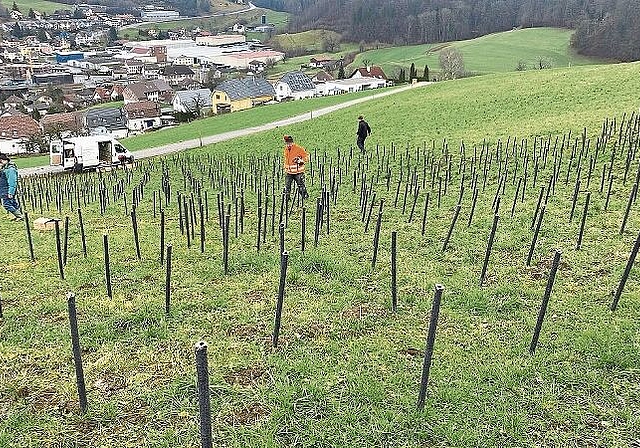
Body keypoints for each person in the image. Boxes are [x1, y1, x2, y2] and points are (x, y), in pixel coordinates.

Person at [282, 135, 309, 201]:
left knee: (301, 186)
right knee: (287, 186)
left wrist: (301, 160)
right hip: (289, 172)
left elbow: (306, 156)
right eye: (286, 143)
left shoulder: (298, 149)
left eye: (289, 143)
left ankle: (305, 198)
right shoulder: (286, 149)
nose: (288, 145)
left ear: (292, 142)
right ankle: (287, 199)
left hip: (298, 172)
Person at [0, 153, 22, 220]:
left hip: (7, 190)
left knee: (6, 204)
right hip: (4, 190)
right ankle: (19, 215)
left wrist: (10, 192)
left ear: (1, 160)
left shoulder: (10, 169)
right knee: (12, 202)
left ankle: (20, 216)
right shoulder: (4, 168)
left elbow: (12, 182)